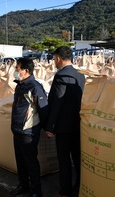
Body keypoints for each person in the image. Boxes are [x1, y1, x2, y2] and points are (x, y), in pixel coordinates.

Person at [44, 46, 85, 197]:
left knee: (64, 160)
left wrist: (50, 126)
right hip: (78, 124)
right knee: (78, 158)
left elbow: (57, 103)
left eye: (54, 59)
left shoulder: (61, 75)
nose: (54, 62)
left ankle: (65, 192)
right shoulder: (80, 75)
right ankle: (79, 186)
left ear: (59, 59)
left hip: (63, 127)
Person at [10, 58, 48, 197]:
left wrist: (47, 128)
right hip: (17, 130)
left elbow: (43, 109)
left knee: (31, 162)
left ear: (26, 70)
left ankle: (36, 191)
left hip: (29, 131)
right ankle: (23, 185)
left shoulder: (35, 87)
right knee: (20, 161)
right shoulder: (20, 85)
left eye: (17, 68)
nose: (15, 70)